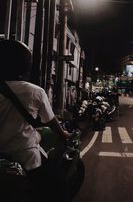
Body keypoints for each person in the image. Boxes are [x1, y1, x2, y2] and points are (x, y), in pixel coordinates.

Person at [0, 39, 71, 202]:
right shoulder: (35, 92)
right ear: (24, 64)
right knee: (57, 185)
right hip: (24, 156)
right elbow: (51, 120)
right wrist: (63, 133)